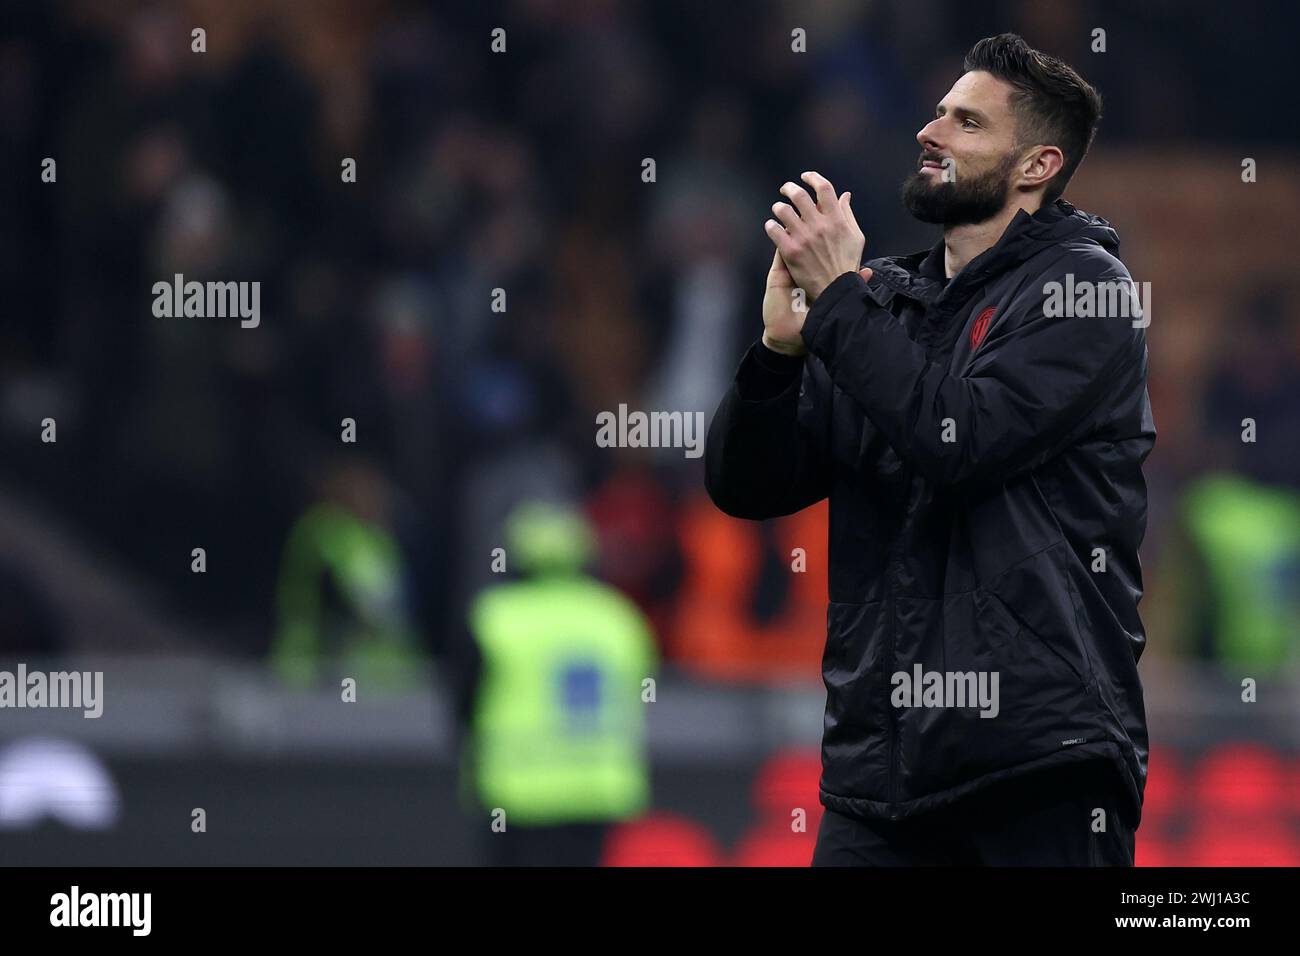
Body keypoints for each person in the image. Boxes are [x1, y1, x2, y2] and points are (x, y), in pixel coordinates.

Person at [705, 34, 1154, 865]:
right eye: (937, 111)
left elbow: (960, 437)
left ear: (1036, 165)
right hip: (878, 778)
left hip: (1038, 765)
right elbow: (747, 487)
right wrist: (777, 355)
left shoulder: (1085, 290)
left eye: (966, 122)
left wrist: (839, 299)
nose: (931, 131)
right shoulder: (888, 308)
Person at [453, 500, 658, 866]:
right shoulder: (617, 617)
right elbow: (639, 691)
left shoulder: (495, 616)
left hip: (519, 791)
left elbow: (465, 701)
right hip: (598, 788)